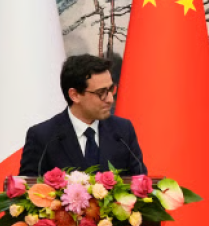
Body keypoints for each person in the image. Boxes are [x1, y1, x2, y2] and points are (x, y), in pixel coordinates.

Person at [18, 54, 147, 176]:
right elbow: (28, 187)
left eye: (111, 89)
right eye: (101, 92)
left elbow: (140, 181)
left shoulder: (123, 131)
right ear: (75, 95)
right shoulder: (43, 137)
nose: (110, 99)